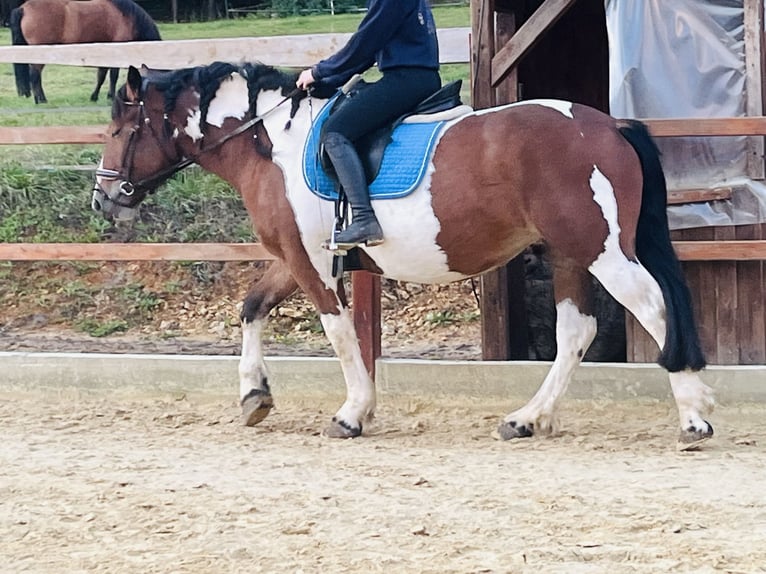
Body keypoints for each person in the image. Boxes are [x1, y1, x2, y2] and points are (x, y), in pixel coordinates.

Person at [296, 0, 441, 250]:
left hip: (406, 80)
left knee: (334, 132)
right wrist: (332, 80)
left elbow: (364, 42)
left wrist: (319, 71)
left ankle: (364, 219)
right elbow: (371, 51)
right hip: (418, 78)